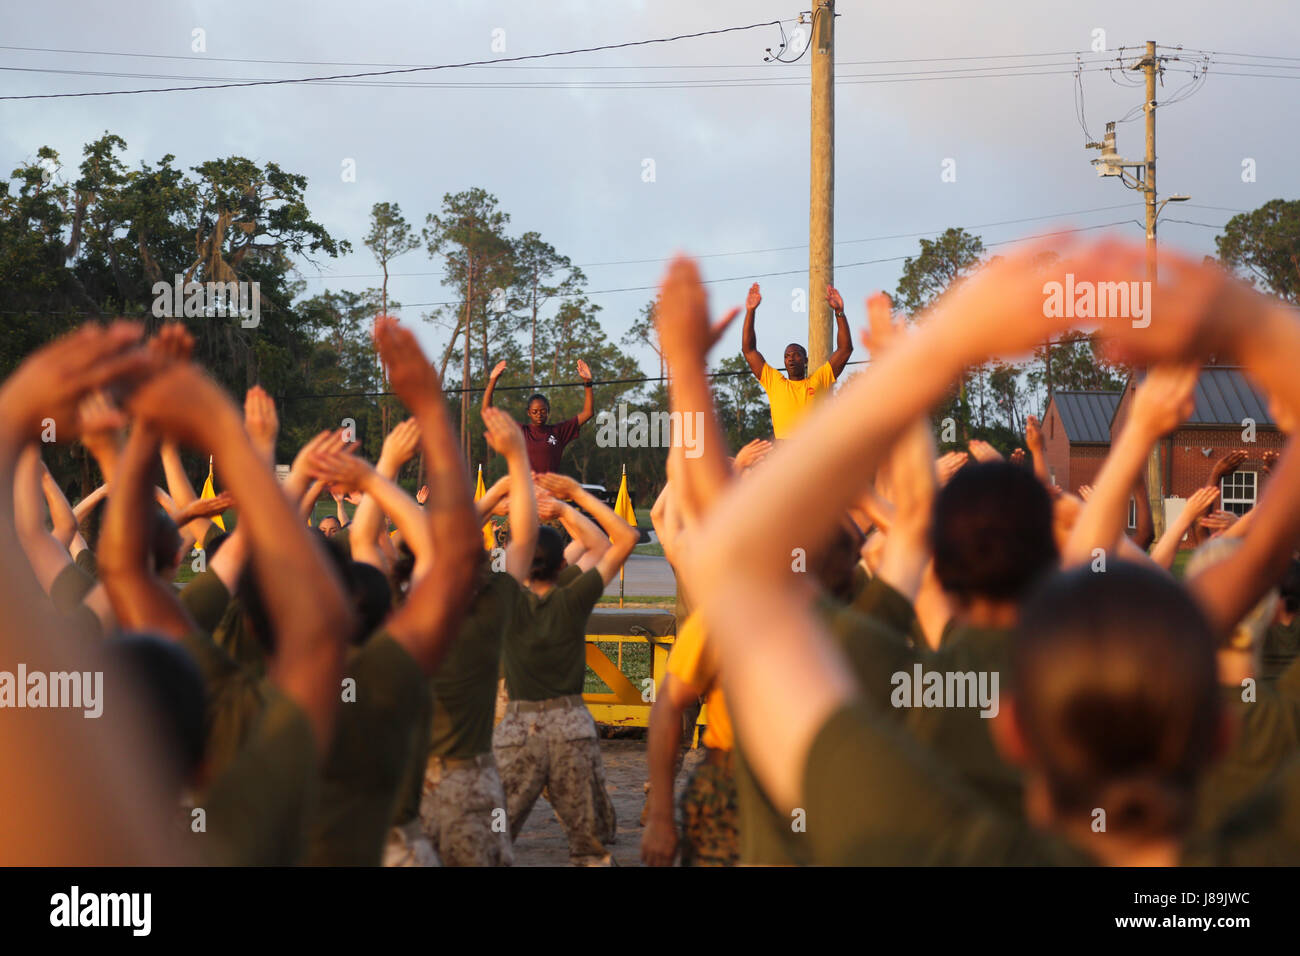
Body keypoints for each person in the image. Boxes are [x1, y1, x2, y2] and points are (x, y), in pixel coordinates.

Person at [493, 472, 637, 865]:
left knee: (492, 835)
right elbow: (619, 541)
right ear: (561, 565)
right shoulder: (573, 597)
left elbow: (451, 549)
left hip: (518, 725)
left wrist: (492, 500)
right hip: (571, 724)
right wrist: (570, 498)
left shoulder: (505, 600)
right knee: (590, 844)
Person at [740, 282, 853, 439]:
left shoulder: (819, 380)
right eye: (787, 356)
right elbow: (749, 350)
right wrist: (750, 311)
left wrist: (839, 312)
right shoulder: (775, 382)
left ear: (806, 360)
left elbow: (845, 350)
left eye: (796, 354)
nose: (791, 358)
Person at [482, 358, 595, 473]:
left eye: (543, 411)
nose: (539, 414)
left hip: (550, 489)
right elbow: (487, 411)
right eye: (535, 412)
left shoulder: (558, 432)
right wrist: (493, 380)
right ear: (528, 413)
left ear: (548, 411)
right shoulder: (520, 431)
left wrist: (588, 382)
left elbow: (588, 413)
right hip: (527, 489)